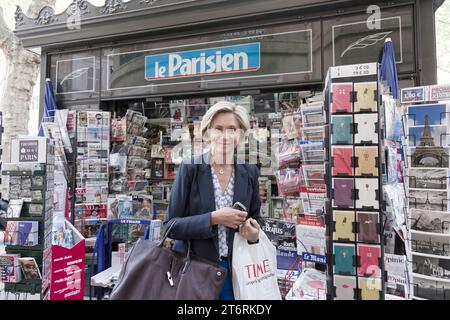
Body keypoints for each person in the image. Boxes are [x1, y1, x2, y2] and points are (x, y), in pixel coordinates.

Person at [165, 101, 263, 300]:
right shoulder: (190, 168)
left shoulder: (250, 171)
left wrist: (254, 234)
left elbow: (256, 219)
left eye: (232, 129)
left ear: (241, 134)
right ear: (207, 133)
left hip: (236, 271)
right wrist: (213, 218)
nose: (225, 135)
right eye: (218, 128)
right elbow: (170, 226)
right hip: (194, 270)